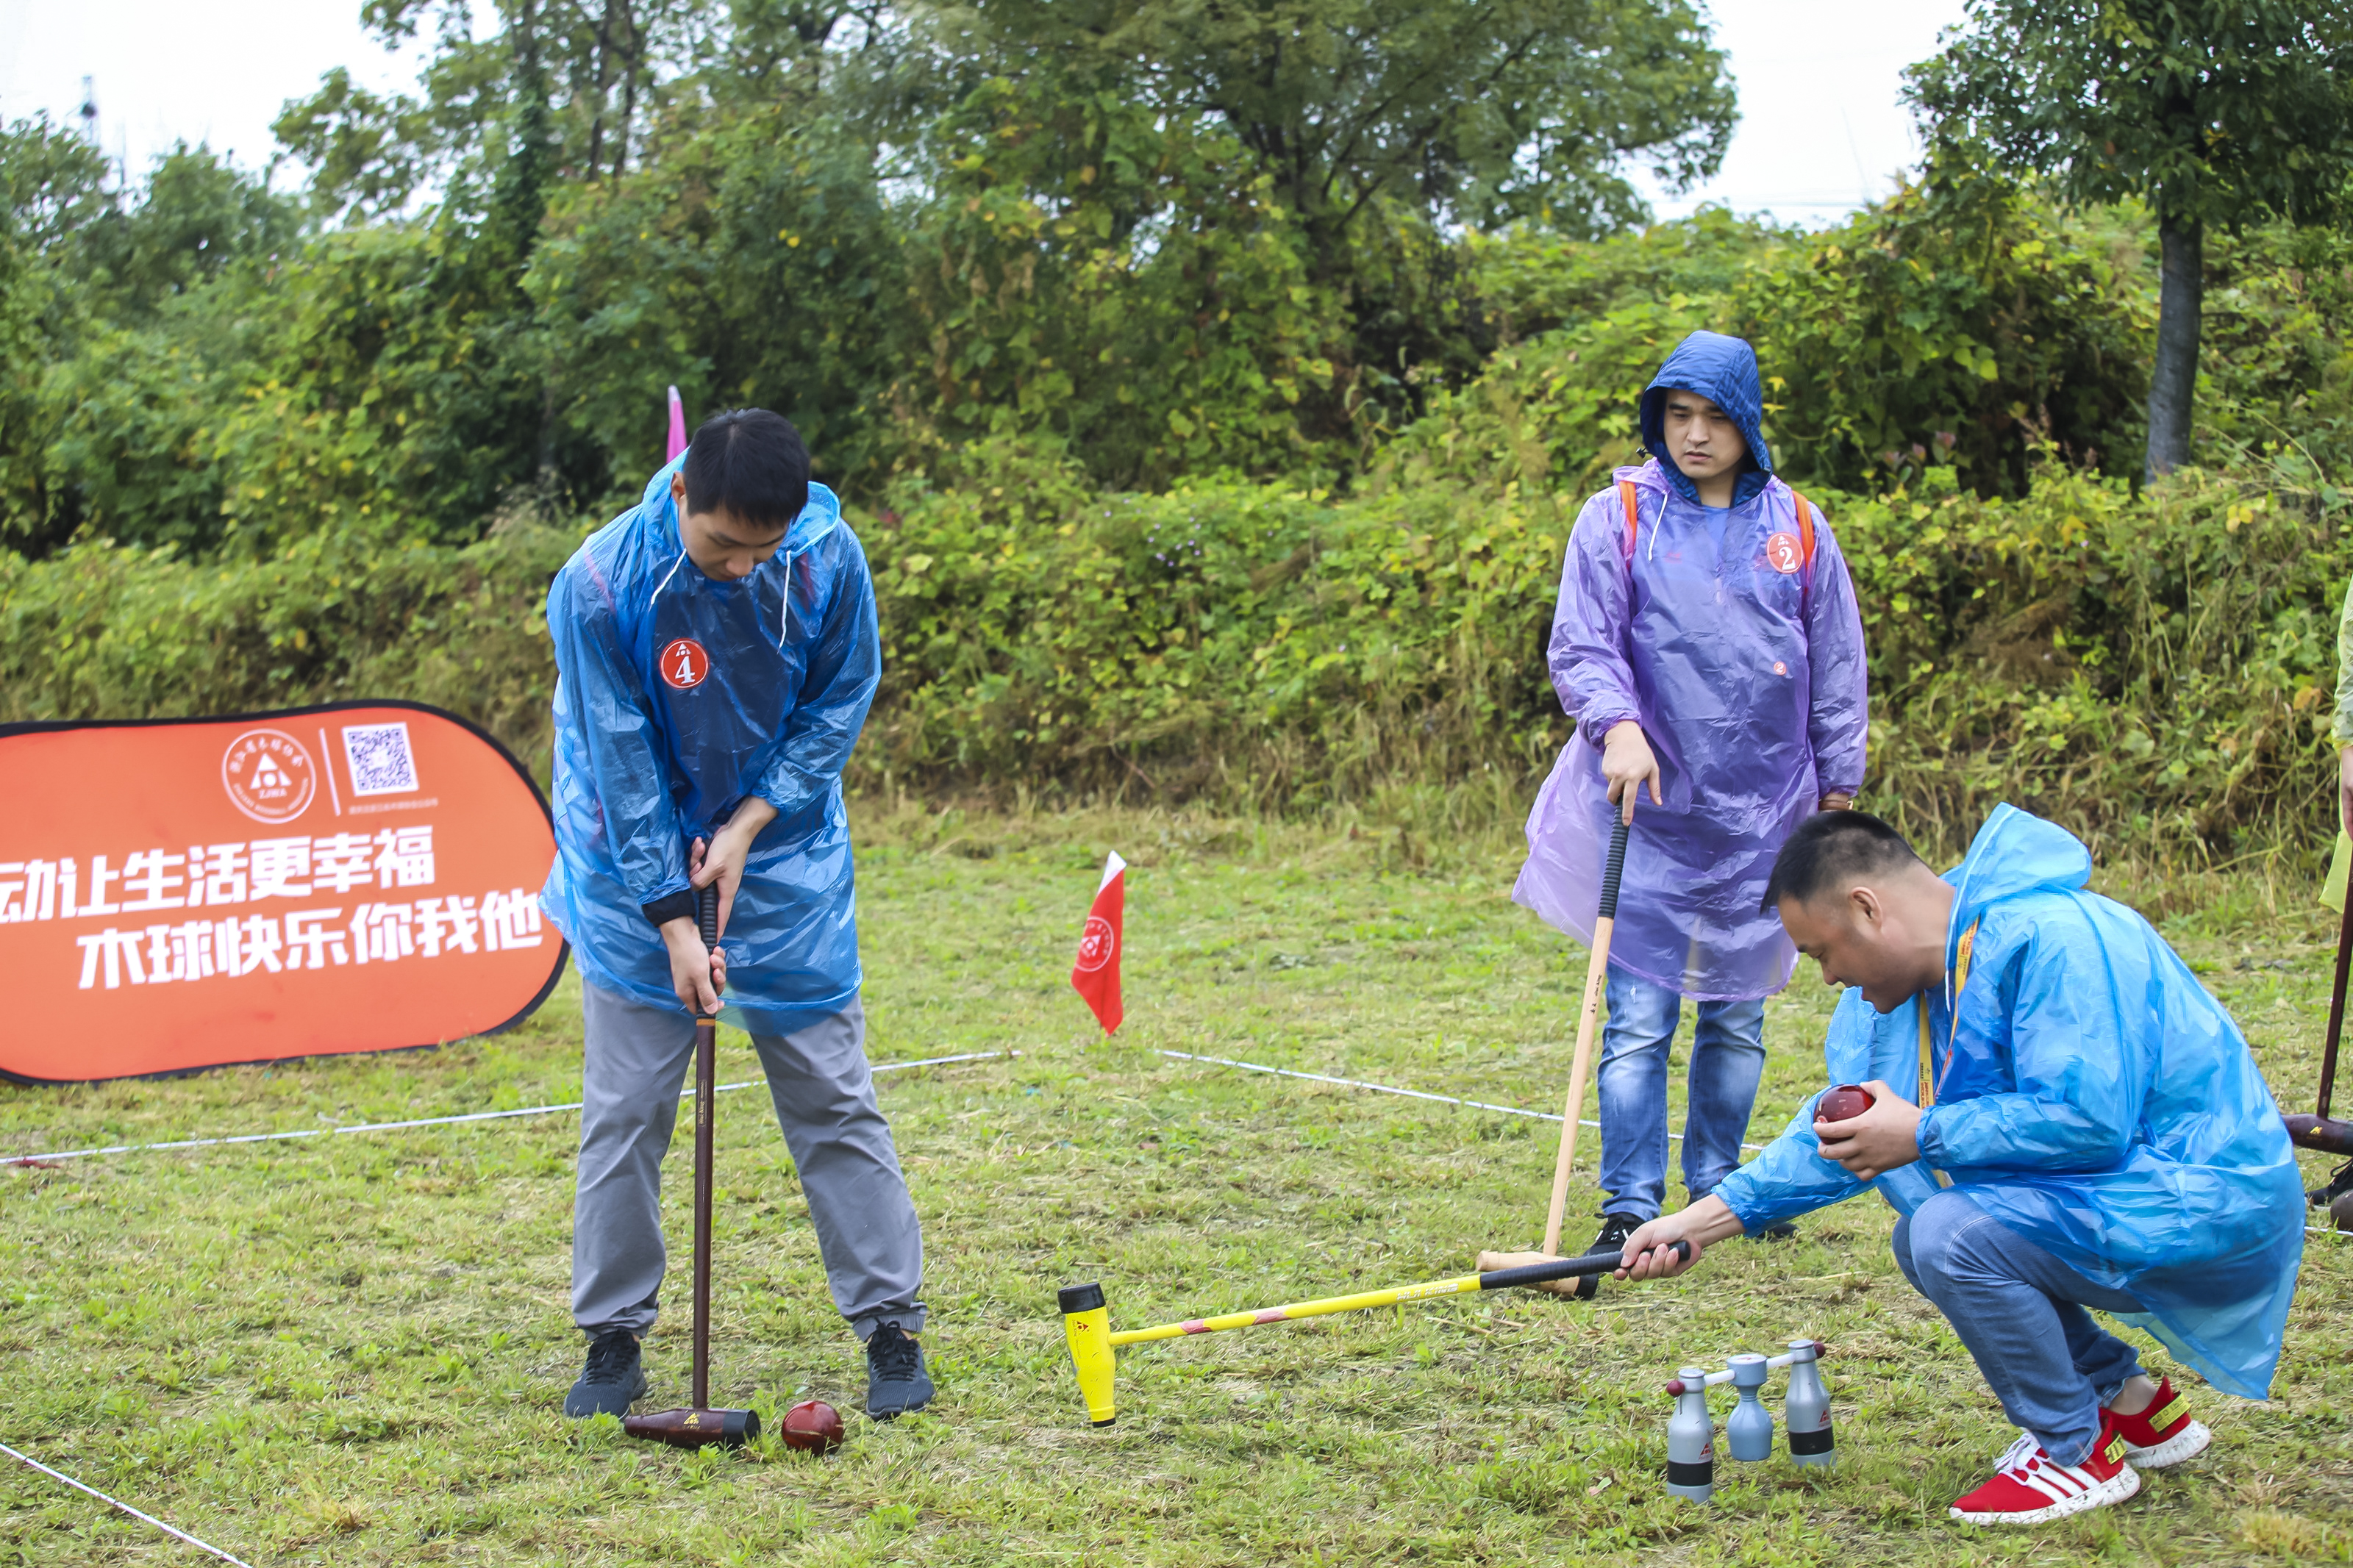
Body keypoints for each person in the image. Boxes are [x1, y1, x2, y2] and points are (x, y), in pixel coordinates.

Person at [1614, 806, 2304, 1525]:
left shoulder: (2053, 938)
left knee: (1948, 1233)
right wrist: (1698, 1222)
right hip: (2123, 1195)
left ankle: (2072, 1454)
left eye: (1821, 952)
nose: (1826, 978)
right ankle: (2129, 1406)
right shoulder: (1926, 983)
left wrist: (1924, 1131)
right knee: (1926, 1231)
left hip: (2206, 1200)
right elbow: (1837, 1132)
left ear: (1865, 907)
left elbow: (2087, 1120)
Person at [540, 408, 932, 1421]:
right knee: (627, 1109)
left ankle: (890, 1324)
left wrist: (754, 822)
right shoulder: (598, 586)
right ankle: (613, 1337)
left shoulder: (825, 558)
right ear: (679, 495)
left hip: (784, 851)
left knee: (832, 1092)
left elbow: (839, 699)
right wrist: (674, 918)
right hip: (634, 862)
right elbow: (619, 762)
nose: (741, 568)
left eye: (763, 549)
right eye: (721, 546)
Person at [1514, 329, 1868, 1281]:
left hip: (1766, 818)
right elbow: (1583, 642)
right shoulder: (1620, 514)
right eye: (1679, 415)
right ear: (1657, 419)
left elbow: (1836, 665)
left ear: (1747, 424)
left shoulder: (1799, 524)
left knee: (1737, 1017)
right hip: (1651, 813)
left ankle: (1719, 1191)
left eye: (1714, 417)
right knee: (1637, 1015)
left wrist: (1839, 790)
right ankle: (1629, 1200)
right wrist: (1613, 722)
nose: (1696, 435)